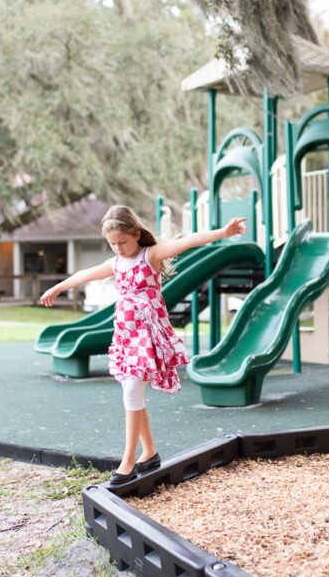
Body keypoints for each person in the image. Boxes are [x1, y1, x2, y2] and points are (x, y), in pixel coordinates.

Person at [40, 205, 246, 485]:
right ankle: (149, 452)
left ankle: (128, 460)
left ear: (136, 234)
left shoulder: (150, 255)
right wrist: (57, 287)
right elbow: (85, 274)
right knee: (131, 392)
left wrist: (224, 232)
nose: (118, 248)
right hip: (126, 334)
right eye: (113, 244)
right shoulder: (115, 263)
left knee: (132, 391)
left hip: (147, 334)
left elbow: (187, 241)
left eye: (123, 242)